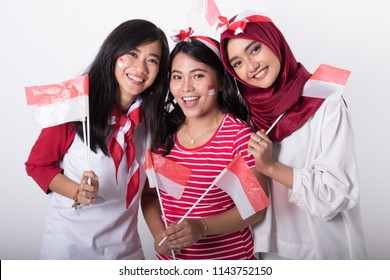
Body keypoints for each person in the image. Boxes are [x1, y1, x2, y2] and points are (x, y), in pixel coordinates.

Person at [218, 10, 367, 259]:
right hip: (265, 253)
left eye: (254, 49)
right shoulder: (244, 113)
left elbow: (337, 193)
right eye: (237, 63)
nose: (251, 67)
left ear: (274, 41)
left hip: (323, 251)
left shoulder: (325, 103)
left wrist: (271, 167)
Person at [25, 19, 169, 259]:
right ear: (113, 52)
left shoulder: (152, 121)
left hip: (126, 252)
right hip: (68, 251)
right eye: (132, 54)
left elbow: (149, 191)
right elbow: (37, 165)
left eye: (152, 60)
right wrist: (76, 191)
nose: (141, 68)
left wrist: (160, 234)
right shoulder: (74, 108)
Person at [141, 28, 269, 260]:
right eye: (177, 77)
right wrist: (157, 232)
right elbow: (151, 196)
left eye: (198, 76)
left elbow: (255, 207)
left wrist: (202, 227)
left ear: (220, 82)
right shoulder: (163, 134)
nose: (186, 88)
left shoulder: (238, 137)